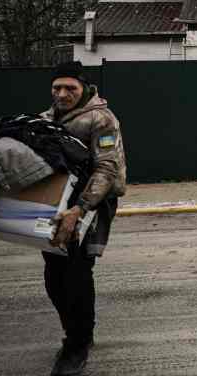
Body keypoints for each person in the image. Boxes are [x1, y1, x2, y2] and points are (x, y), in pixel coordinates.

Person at [42, 60, 127, 376]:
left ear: (84, 89)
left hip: (93, 203)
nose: (62, 94)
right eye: (56, 88)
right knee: (54, 274)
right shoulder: (47, 118)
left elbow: (108, 168)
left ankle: (76, 345)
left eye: (70, 88)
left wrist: (80, 209)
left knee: (76, 272)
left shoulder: (101, 119)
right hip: (56, 206)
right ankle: (78, 333)